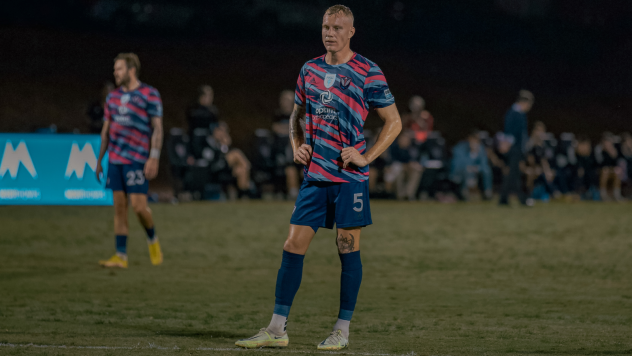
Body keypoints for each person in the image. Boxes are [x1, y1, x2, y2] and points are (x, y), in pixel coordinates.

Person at [235, 5, 402, 351]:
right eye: (326, 26)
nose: (330, 33)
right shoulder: (309, 69)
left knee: (347, 251)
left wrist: (365, 156)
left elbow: (394, 122)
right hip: (315, 176)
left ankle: (342, 329)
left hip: (349, 179)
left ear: (351, 32)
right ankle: (277, 329)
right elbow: (296, 116)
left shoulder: (367, 71)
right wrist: (297, 145)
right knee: (292, 245)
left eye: (338, 28)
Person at [95, 53, 164, 268]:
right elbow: (106, 131)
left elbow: (158, 129)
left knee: (139, 208)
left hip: (137, 159)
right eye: (115, 69)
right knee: (119, 208)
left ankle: (152, 239)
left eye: (119, 69)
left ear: (131, 70)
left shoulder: (149, 94)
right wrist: (100, 160)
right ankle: (121, 256)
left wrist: (153, 157)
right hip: (115, 160)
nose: (115, 73)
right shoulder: (112, 98)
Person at [499, 90, 534, 206]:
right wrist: (506, 144)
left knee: (514, 174)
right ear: (524, 102)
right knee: (514, 175)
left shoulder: (519, 114)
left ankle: (503, 199)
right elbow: (509, 131)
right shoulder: (513, 113)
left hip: (518, 149)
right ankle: (522, 199)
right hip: (514, 148)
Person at [272, 90, 301, 199]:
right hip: (281, 152)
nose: (285, 102)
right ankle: (293, 193)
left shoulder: (298, 113)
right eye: (283, 100)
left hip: (299, 151)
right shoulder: (278, 115)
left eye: (288, 100)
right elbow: (276, 128)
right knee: (290, 168)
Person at [450, 130, 493, 201]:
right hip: (460, 172)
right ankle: (464, 193)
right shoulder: (460, 148)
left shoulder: (480, 149)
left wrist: (475, 168)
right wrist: (472, 154)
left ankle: (487, 193)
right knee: (466, 171)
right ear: (469, 139)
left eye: (477, 140)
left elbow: (484, 164)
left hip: (474, 170)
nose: (475, 142)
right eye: (473, 139)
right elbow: (458, 164)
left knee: (486, 170)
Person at [595, 132, 622, 201]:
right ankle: (603, 195)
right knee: (605, 171)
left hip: (611, 170)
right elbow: (599, 162)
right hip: (600, 170)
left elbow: (615, 162)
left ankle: (617, 195)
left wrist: (612, 152)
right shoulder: (599, 149)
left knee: (617, 172)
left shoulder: (614, 149)